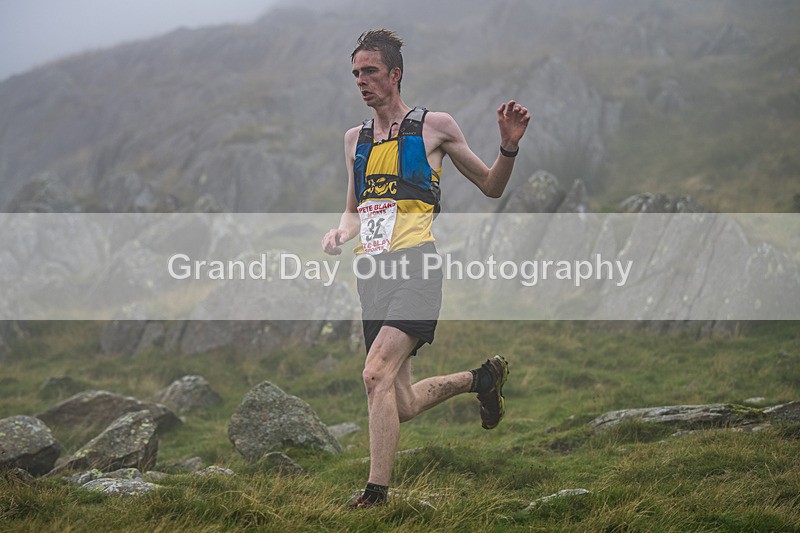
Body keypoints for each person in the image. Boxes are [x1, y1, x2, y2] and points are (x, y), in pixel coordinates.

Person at [321, 29, 530, 508]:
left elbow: (491, 187)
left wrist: (508, 147)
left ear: (395, 75)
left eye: (370, 71)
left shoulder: (435, 126)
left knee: (374, 375)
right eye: (355, 73)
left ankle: (375, 496)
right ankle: (480, 380)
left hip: (415, 268)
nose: (361, 81)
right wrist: (340, 233)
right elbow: (354, 210)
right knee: (402, 400)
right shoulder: (355, 139)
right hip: (371, 276)